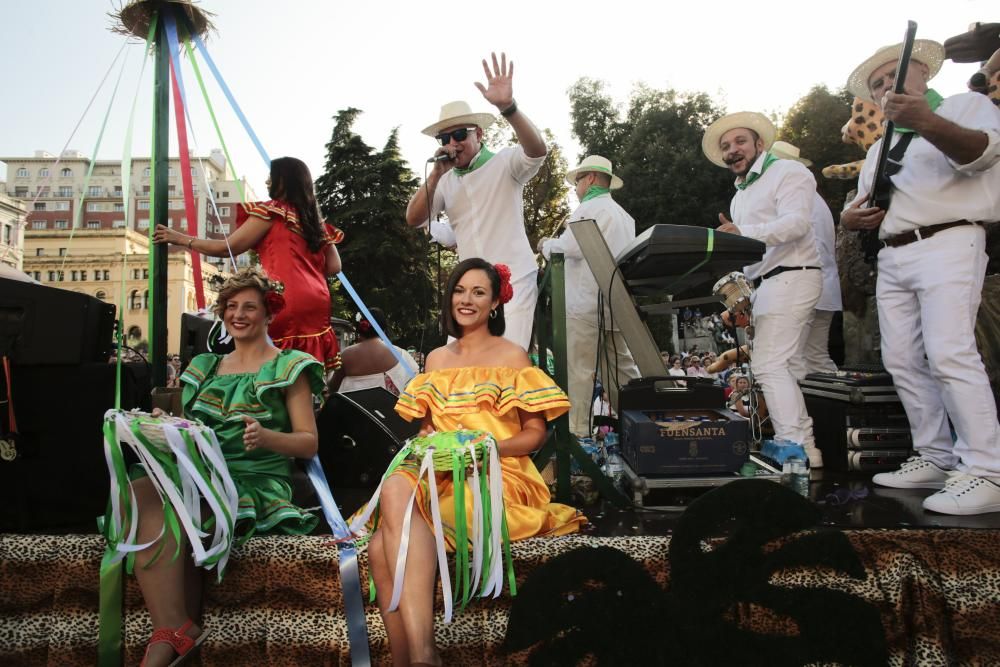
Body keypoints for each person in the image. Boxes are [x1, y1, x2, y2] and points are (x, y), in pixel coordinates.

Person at [363, 258, 585, 665]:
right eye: (460, 290)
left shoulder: (513, 355)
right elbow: (428, 429)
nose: (467, 300)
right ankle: (418, 657)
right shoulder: (435, 359)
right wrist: (427, 443)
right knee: (394, 491)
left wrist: (487, 448)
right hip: (439, 470)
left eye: (478, 292)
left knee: (382, 547)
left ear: (495, 303)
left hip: (495, 470)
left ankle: (416, 657)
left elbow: (535, 435)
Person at [841, 39, 1000, 514]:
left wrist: (925, 122)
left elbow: (982, 155)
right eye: (878, 83)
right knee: (903, 360)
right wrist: (850, 219)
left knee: (951, 353)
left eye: (895, 75)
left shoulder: (963, 106)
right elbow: (860, 203)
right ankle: (934, 453)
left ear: (923, 76)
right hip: (892, 255)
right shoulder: (879, 148)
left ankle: (988, 469)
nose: (887, 85)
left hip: (949, 240)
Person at [134, 267, 323, 666]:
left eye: (249, 307)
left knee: (179, 509)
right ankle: (172, 625)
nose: (238, 314)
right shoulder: (204, 366)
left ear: (269, 313)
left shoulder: (290, 366)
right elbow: (188, 433)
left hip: (255, 482)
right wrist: (162, 427)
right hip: (201, 477)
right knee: (138, 489)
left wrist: (268, 438)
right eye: (230, 306)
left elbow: (308, 442)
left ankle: (173, 634)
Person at [702, 112, 824, 468]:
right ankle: (808, 448)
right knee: (787, 365)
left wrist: (745, 233)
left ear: (760, 144)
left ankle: (796, 444)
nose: (732, 150)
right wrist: (744, 294)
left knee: (770, 363)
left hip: (795, 274)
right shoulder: (739, 196)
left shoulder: (788, 172)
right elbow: (749, 249)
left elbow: (797, 224)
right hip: (766, 284)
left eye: (740, 141)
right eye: (726, 146)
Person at [405, 52, 547, 351]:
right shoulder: (443, 179)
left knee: (506, 364)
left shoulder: (505, 162)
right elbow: (413, 219)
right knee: (461, 371)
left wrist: (509, 108)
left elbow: (537, 151)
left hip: (515, 282)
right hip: (469, 290)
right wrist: (434, 177)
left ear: (479, 134)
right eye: (444, 138)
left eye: (459, 134)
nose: (452, 143)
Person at [154, 157, 343, 371]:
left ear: (283, 181)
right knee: (303, 368)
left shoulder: (273, 211)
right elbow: (334, 266)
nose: (267, 181)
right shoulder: (314, 221)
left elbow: (228, 248)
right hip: (317, 300)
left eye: (272, 176)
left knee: (273, 365)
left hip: (284, 296)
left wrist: (181, 239)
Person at [537, 156, 640, 438]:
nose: (575, 187)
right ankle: (644, 424)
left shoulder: (590, 208)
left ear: (591, 178)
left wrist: (545, 244)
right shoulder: (623, 215)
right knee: (622, 371)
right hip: (614, 304)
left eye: (578, 180)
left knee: (579, 371)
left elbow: (567, 249)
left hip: (584, 305)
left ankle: (577, 437)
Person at [769, 141, 843, 377]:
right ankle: (835, 412)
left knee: (792, 360)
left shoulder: (792, 196)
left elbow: (783, 236)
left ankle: (807, 412)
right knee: (817, 358)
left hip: (803, 283)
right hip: (826, 285)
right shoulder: (815, 198)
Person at [328, 307, 418, 396]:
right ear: (383, 330)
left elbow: (333, 387)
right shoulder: (400, 354)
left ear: (359, 329)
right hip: (388, 409)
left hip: (353, 410)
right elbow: (415, 382)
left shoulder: (346, 355)